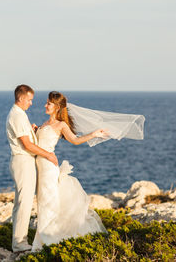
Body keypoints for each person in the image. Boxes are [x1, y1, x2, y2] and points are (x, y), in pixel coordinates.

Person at [32, 91, 109, 251]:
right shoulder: (46, 123)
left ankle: (48, 241)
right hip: (41, 166)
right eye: (46, 102)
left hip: (48, 167)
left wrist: (93, 134)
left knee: (48, 202)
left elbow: (75, 140)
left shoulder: (61, 125)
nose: (45, 105)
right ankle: (43, 240)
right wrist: (36, 130)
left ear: (57, 107)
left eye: (49, 103)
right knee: (43, 202)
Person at [6, 84, 58, 253]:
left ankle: (18, 241)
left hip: (24, 162)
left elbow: (28, 140)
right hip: (23, 162)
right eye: (29, 100)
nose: (31, 103)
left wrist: (34, 132)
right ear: (21, 98)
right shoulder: (17, 116)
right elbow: (27, 145)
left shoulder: (20, 114)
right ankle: (20, 244)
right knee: (24, 203)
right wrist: (48, 154)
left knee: (21, 203)